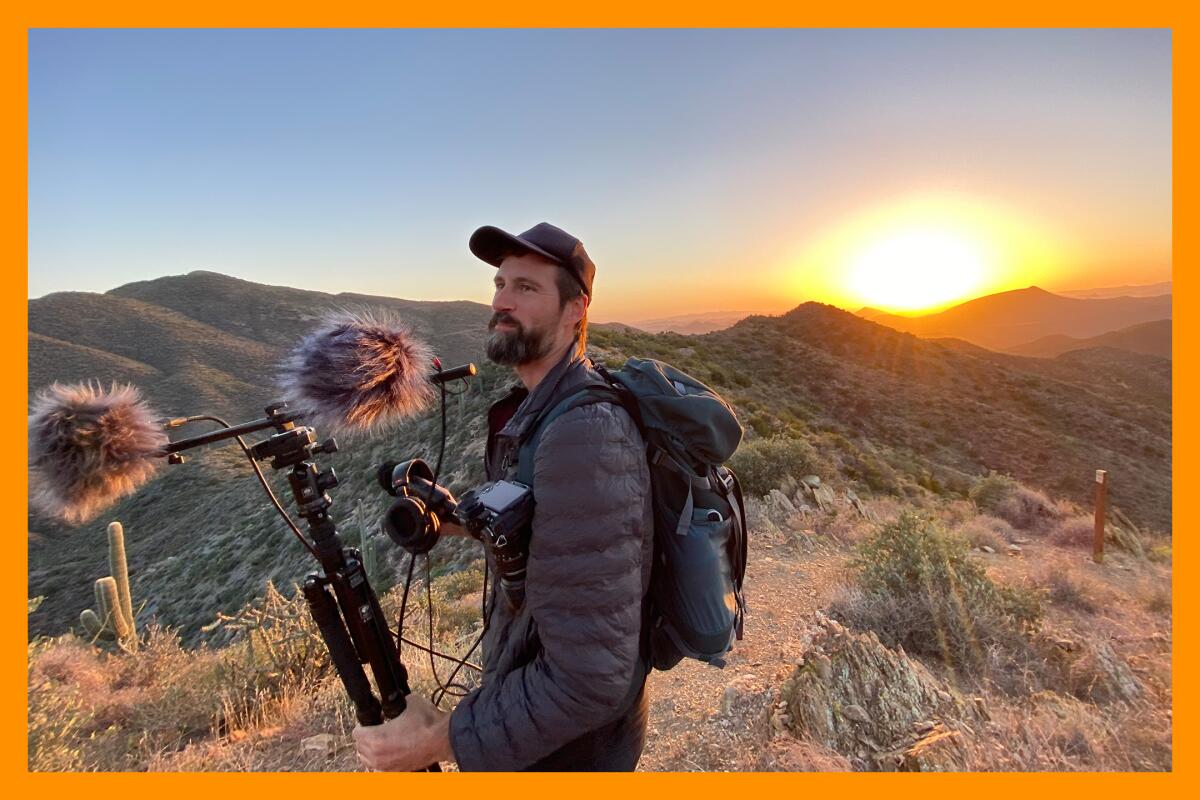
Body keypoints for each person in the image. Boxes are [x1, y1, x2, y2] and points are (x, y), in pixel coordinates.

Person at [353, 222, 654, 771]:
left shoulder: (584, 433)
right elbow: (557, 529)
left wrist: (440, 740)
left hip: (573, 750)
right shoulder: (545, 408)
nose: (501, 302)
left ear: (575, 309)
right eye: (499, 284)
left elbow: (589, 680)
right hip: (546, 723)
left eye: (526, 288)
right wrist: (461, 519)